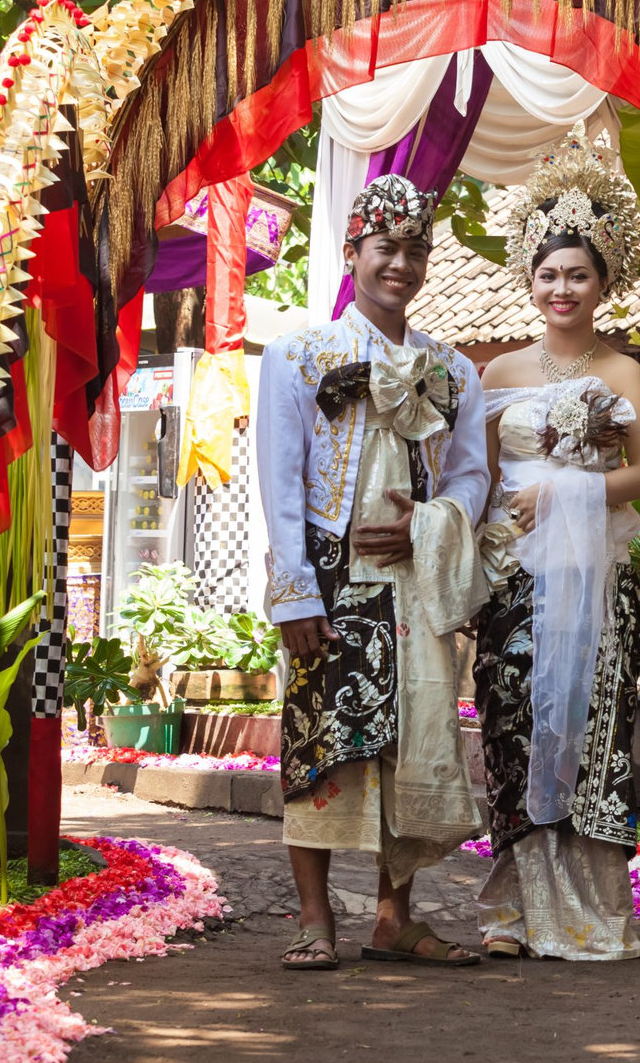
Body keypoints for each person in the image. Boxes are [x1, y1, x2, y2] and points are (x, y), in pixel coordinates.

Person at [256, 173, 489, 972]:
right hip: (327, 572)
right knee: (321, 743)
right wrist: (291, 589)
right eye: (387, 247)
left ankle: (396, 919)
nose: (402, 263)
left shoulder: (455, 371)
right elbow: (279, 480)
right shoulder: (298, 356)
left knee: (413, 741)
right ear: (353, 252)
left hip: (413, 577)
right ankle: (314, 918)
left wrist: (428, 527)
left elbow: (471, 477)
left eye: (416, 249)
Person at [472, 128, 640, 960]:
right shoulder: (497, 374)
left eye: (578, 275)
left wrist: (568, 490)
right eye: (548, 274)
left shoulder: (624, 373)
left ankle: (588, 912)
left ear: (604, 280)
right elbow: (475, 484)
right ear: (529, 279)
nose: (562, 288)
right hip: (513, 580)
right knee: (514, 728)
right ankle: (514, 912)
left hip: (598, 577)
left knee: (592, 730)